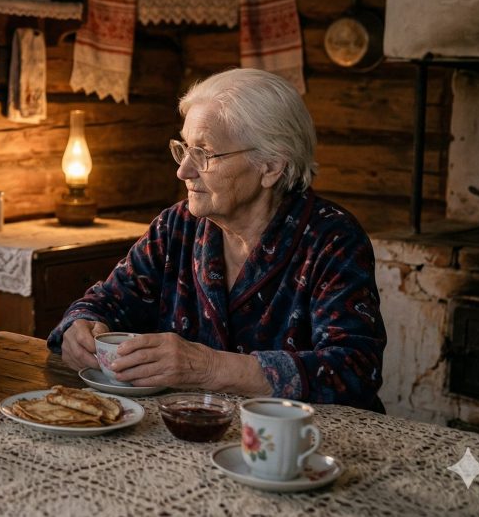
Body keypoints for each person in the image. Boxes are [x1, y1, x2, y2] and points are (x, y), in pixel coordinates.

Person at [48, 68, 386, 410]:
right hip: (190, 427)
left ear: (271, 166)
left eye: (204, 153)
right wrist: (79, 327)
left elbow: (354, 370)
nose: (183, 171)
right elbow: (105, 302)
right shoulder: (177, 226)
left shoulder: (332, 239)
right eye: (184, 148)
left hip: (308, 437)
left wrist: (206, 367)